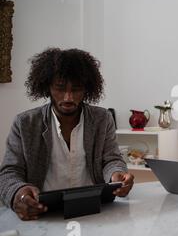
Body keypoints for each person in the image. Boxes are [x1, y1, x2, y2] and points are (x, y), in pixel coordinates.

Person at [0, 48, 134, 221]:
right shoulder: (25, 123)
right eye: (60, 88)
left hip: (94, 211)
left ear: (87, 89)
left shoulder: (102, 119)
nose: (68, 97)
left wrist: (116, 174)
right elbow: (9, 172)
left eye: (76, 89)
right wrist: (18, 192)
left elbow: (111, 159)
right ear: (47, 87)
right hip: (44, 215)